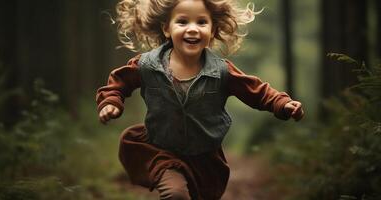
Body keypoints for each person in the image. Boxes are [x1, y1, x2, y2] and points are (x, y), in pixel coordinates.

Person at [96, 0, 304, 199]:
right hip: (162, 150)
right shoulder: (147, 65)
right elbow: (119, 82)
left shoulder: (222, 71)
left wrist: (282, 104)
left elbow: (256, 91)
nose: (193, 28)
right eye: (182, 21)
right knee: (175, 194)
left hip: (205, 158)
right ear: (166, 28)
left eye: (201, 22)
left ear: (212, 30)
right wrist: (111, 102)